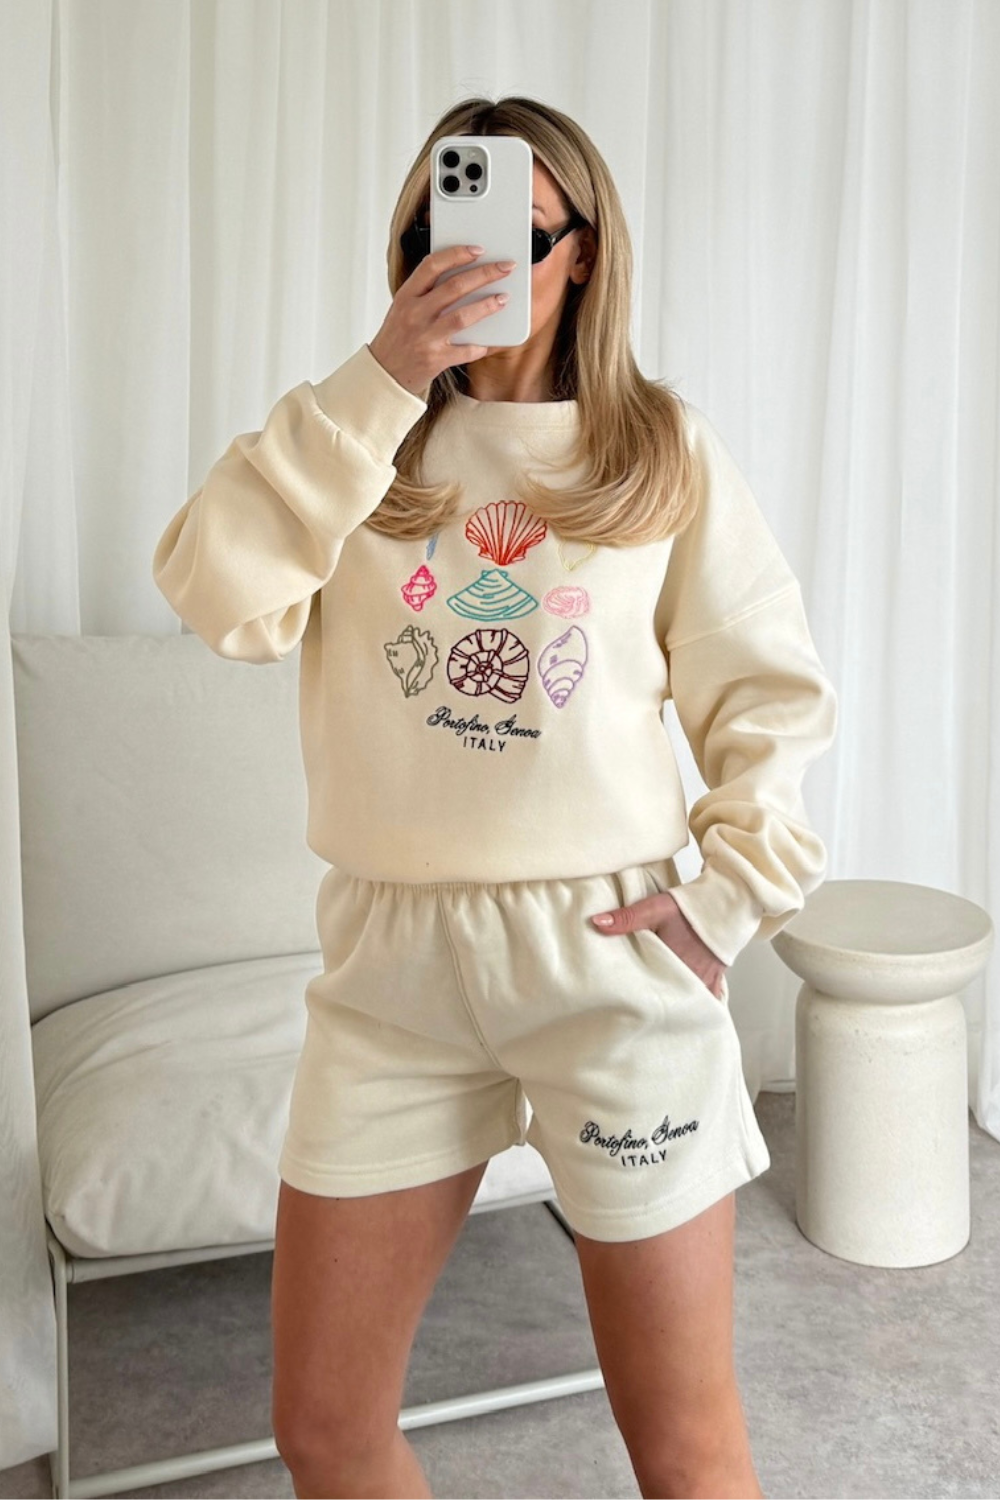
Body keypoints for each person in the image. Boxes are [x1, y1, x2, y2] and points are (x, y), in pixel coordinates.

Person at [152, 94, 838, 1500]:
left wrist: (724, 906)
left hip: (607, 958)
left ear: (582, 254)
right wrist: (381, 380)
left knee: (683, 1440)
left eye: (511, 234)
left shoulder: (659, 453)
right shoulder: (361, 445)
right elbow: (215, 594)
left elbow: (768, 694)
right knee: (326, 1428)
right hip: (391, 974)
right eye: (429, 229)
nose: (458, 259)